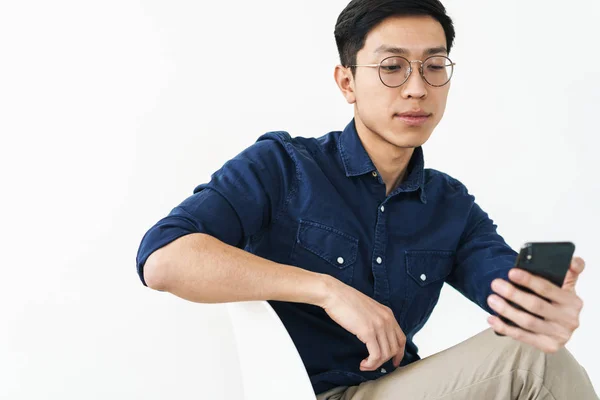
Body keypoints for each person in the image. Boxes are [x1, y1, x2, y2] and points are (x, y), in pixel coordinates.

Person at [135, 0, 598, 398]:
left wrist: (542, 303)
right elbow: (163, 260)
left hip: (396, 386)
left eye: (434, 66)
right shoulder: (283, 166)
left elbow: (505, 290)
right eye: (392, 67)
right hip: (307, 392)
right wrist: (327, 291)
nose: (417, 87)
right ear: (347, 82)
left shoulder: (450, 205)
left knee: (535, 347)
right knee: (530, 363)